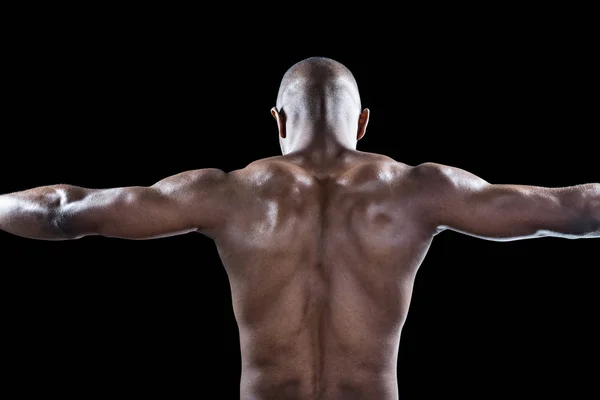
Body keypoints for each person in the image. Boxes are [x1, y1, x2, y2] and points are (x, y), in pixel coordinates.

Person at [0, 56, 598, 400]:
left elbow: (63, 212)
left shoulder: (226, 193)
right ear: (363, 122)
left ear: (277, 120)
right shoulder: (420, 190)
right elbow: (572, 210)